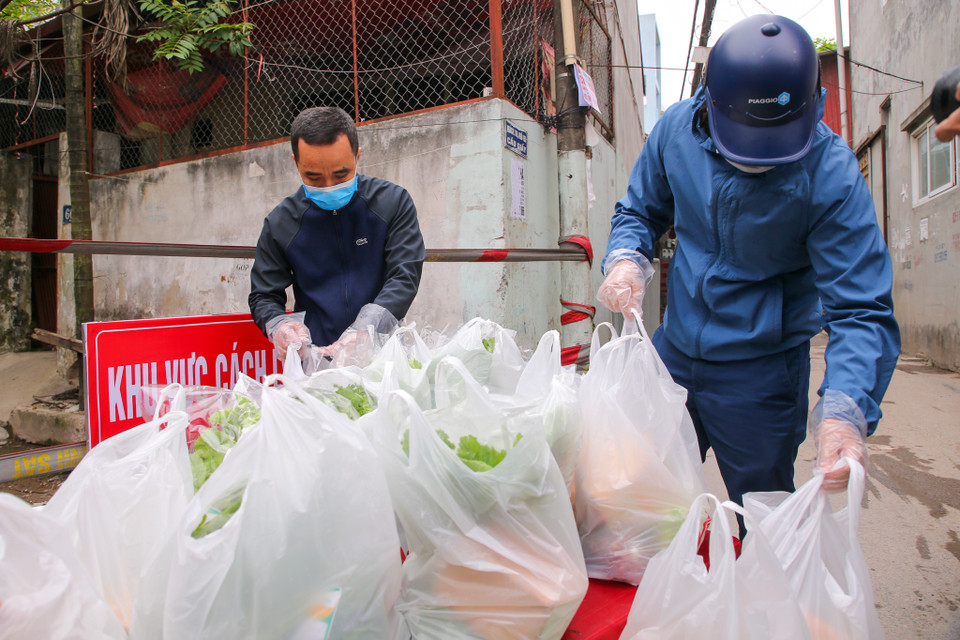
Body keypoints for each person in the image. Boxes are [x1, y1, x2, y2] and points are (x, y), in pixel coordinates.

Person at [597, 15, 900, 520]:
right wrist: (626, 256)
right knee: (642, 499)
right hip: (674, 352)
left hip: (762, 373)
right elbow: (640, 211)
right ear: (709, 102)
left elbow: (860, 308)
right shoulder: (676, 131)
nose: (756, 159)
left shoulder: (831, 174)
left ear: (814, 106)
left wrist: (847, 408)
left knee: (761, 516)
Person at [249, 106, 425, 366]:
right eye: (314, 177)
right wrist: (280, 326)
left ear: (358, 155)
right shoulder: (281, 222)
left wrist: (367, 329)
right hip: (317, 357)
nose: (329, 187)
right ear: (296, 162)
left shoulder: (392, 202)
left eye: (341, 175)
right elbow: (264, 295)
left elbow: (404, 275)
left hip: (384, 355)